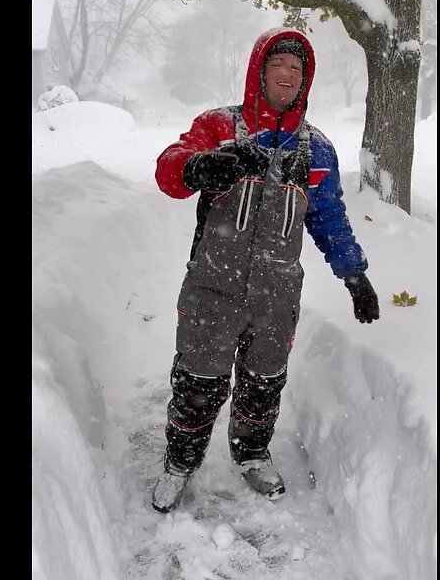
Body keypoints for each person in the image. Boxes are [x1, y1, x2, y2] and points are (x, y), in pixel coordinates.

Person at [150, 27, 381, 513]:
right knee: (197, 384)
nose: (287, 74)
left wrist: (354, 274)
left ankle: (252, 455)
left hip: (276, 296)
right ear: (260, 70)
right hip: (213, 284)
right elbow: (169, 169)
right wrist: (201, 166)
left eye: (297, 69)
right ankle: (179, 462)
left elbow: (329, 218)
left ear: (305, 81)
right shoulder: (219, 126)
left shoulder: (315, 150)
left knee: (262, 385)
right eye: (278, 64)